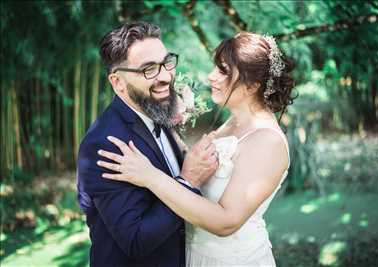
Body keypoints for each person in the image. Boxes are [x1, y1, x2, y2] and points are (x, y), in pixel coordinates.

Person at [97, 32, 295, 266]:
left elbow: (226, 222)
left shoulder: (267, 142)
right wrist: (168, 127)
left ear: (252, 85)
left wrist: (150, 176)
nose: (211, 76)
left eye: (223, 71)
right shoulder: (234, 122)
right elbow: (199, 163)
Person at [76, 21, 219, 267]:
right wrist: (189, 182)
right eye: (148, 69)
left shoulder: (157, 111)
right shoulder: (106, 143)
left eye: (166, 63)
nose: (165, 77)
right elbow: (135, 240)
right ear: (118, 82)